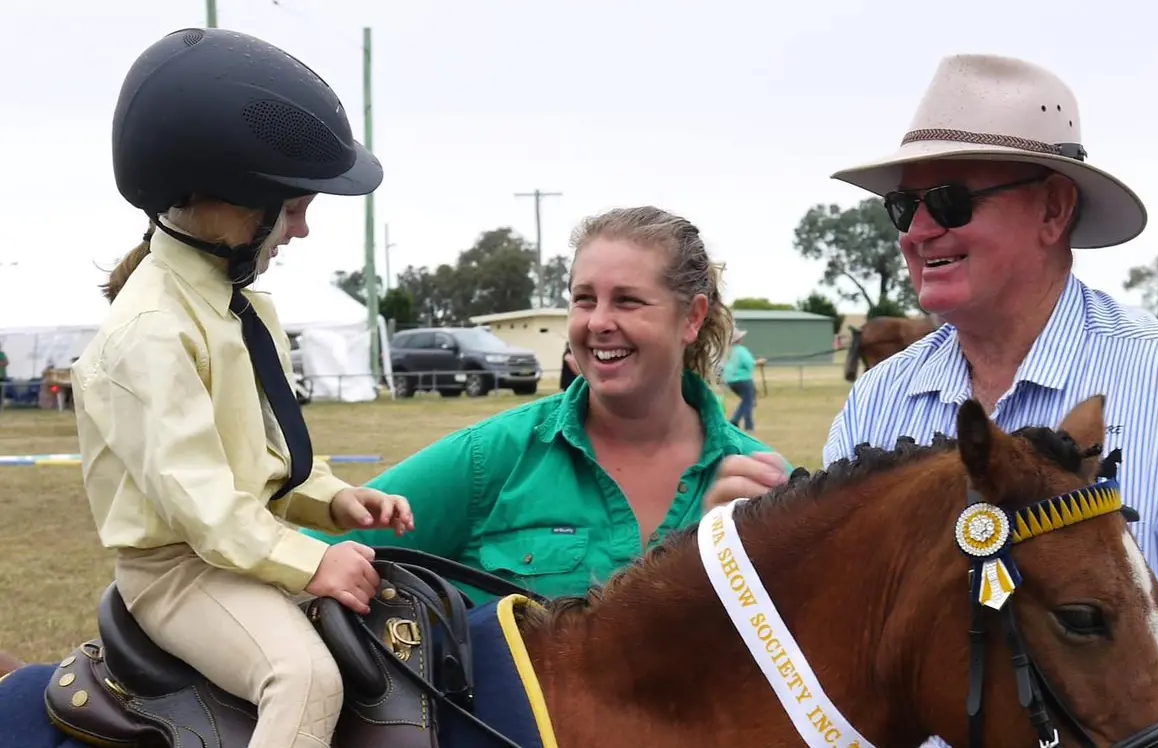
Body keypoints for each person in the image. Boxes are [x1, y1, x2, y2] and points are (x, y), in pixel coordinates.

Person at [820, 54, 1158, 748]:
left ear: (1053, 209)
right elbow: (846, 648)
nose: (918, 230)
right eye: (904, 206)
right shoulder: (879, 404)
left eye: (950, 200)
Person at [70, 28, 413, 748]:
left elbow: (268, 453)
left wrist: (334, 498)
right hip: (178, 574)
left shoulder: (248, 309)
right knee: (304, 679)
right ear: (227, 201)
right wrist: (313, 558)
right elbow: (202, 507)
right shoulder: (150, 332)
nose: (304, 229)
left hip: (245, 544)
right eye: (292, 208)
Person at [304, 206, 792, 602]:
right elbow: (321, 553)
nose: (598, 321)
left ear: (692, 318)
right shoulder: (489, 459)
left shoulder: (759, 492)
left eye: (627, 301)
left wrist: (746, 554)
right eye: (584, 299)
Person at [720, 328, 764, 431]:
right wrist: (759, 362)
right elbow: (748, 363)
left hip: (730, 380)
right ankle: (735, 421)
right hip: (743, 379)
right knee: (748, 402)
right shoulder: (741, 350)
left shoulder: (727, 352)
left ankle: (749, 426)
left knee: (747, 401)